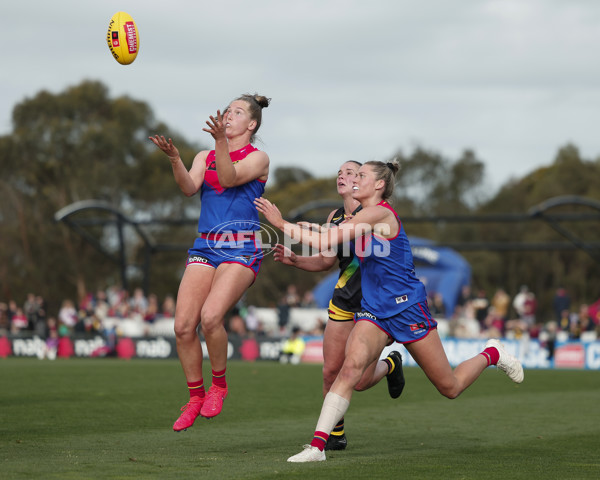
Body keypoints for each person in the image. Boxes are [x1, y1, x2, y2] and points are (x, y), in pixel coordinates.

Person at [255, 160, 524, 463]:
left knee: (449, 387)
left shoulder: (380, 213)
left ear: (379, 185)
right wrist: (299, 250)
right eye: (351, 176)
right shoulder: (355, 216)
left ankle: (492, 354)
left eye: (361, 176)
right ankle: (317, 448)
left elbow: (326, 238)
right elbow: (326, 240)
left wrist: (281, 224)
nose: (353, 180)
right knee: (350, 369)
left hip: (407, 308)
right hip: (374, 311)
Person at [149, 93, 270, 431]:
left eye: (238, 112)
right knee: (183, 326)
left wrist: (220, 141)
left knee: (211, 317)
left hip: (240, 248)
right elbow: (189, 187)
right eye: (228, 109)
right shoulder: (205, 154)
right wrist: (175, 158)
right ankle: (195, 397)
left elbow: (230, 178)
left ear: (252, 124)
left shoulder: (259, 158)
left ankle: (219, 385)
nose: (230, 115)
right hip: (206, 245)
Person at [271, 160, 405, 451]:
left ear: (360, 180)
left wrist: (284, 224)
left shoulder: (371, 213)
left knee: (359, 380)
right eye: (339, 173)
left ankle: (391, 364)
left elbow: (331, 239)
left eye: (350, 172)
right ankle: (336, 434)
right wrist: (295, 260)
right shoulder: (334, 216)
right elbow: (326, 260)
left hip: (374, 305)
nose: (342, 177)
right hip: (344, 301)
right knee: (330, 372)